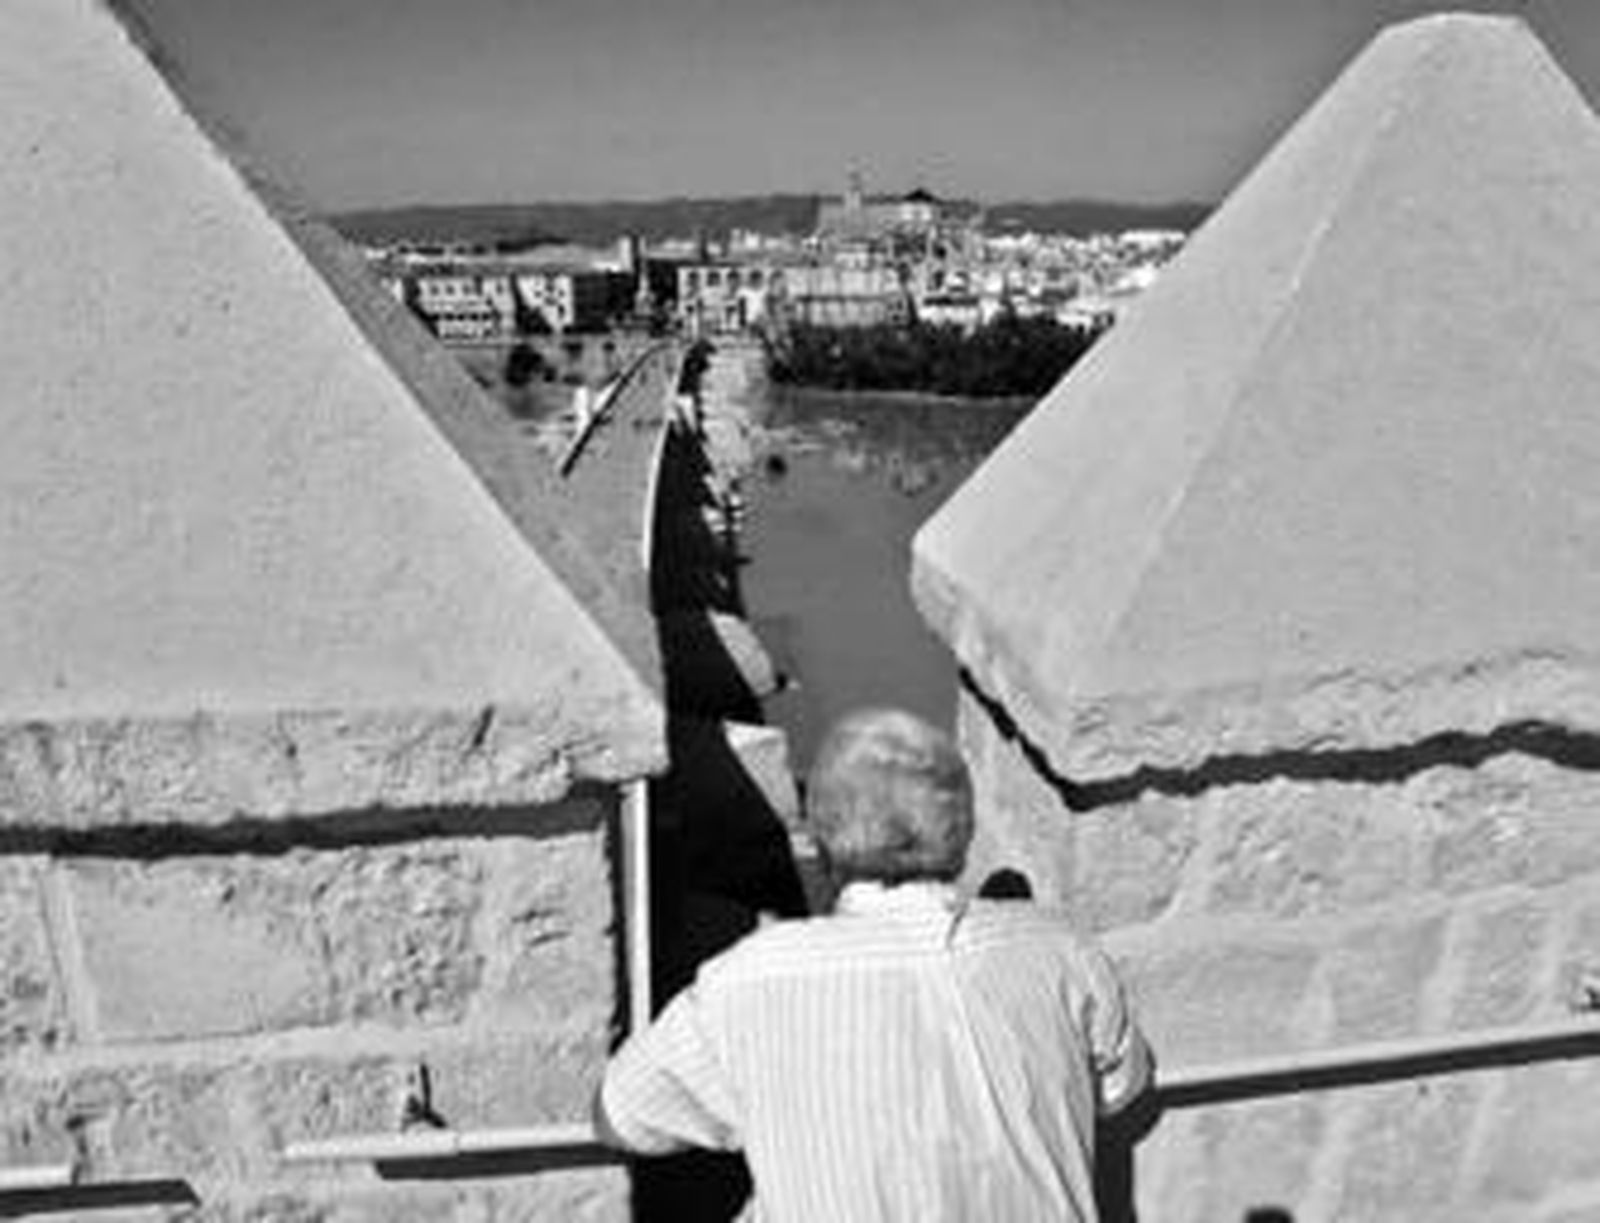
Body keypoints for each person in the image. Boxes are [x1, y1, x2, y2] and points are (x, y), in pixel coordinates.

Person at [597, 708, 1151, 1222]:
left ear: (820, 841)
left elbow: (620, 1116)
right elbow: (1121, 1089)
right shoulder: (1061, 951)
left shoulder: (748, 979)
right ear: (963, 833)